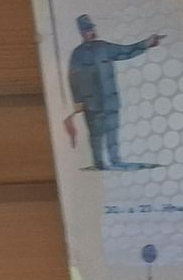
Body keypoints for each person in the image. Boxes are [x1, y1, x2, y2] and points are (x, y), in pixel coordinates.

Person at [68, 15, 164, 172]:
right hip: (92, 103)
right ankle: (99, 163)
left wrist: (147, 44)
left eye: (91, 28)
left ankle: (115, 160)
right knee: (96, 134)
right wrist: (77, 100)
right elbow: (73, 78)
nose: (91, 32)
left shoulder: (104, 47)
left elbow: (125, 52)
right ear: (81, 32)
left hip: (110, 100)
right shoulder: (77, 54)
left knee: (112, 131)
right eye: (87, 30)